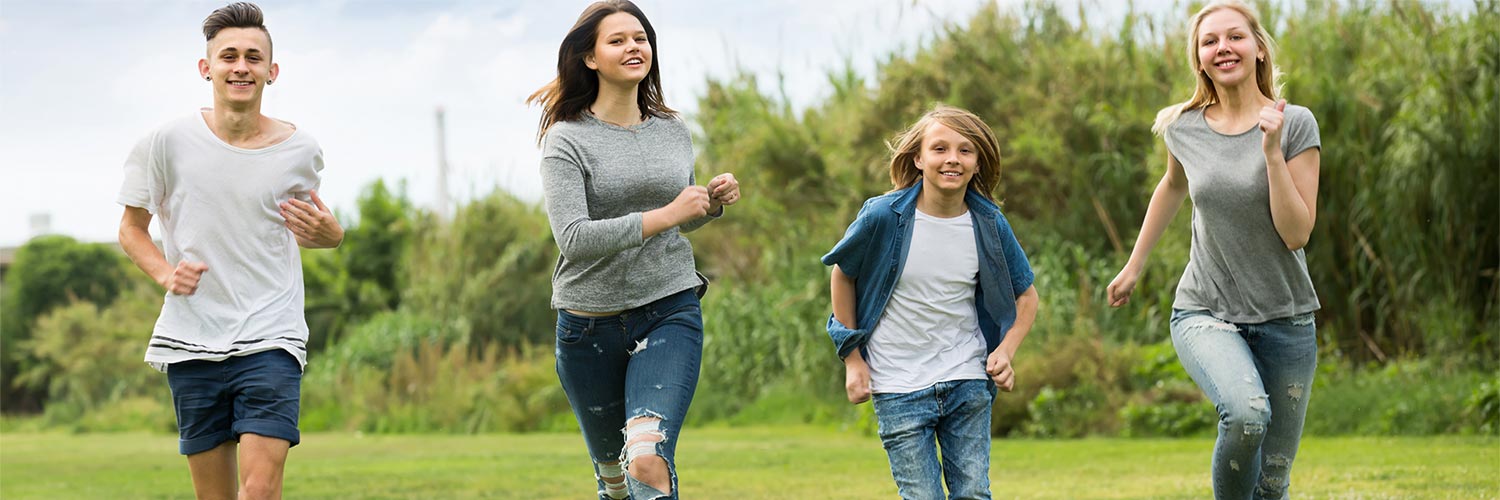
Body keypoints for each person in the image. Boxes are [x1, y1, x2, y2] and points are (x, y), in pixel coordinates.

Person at [116, 3, 342, 499]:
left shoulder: (300, 150)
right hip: (192, 337)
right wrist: (165, 274)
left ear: (271, 71)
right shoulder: (165, 142)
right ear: (207, 68)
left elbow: (321, 228)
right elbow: (131, 229)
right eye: (229, 56)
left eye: (253, 58)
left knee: (258, 491)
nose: (241, 66)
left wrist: (333, 236)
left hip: (271, 335)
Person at [1106, 1, 1323, 498]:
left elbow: (1296, 233)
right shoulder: (1183, 126)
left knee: (1271, 485)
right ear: (1199, 59)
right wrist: (1133, 265)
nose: (1223, 47)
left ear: (1260, 50)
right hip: (1206, 309)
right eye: (1210, 41)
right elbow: (1172, 186)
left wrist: (1271, 154)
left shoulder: (1296, 124)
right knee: (1247, 416)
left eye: (1235, 37)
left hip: (1286, 318)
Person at [527, 1, 741, 498]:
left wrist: (708, 204)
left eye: (640, 38)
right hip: (589, 325)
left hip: (669, 307)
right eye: (618, 40)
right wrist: (667, 214)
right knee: (616, 481)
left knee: (646, 459)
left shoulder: (673, 129)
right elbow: (574, 239)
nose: (633, 47)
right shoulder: (566, 140)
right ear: (590, 58)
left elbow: (675, 225)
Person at [823, 104, 1039, 500]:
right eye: (939, 148)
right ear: (918, 159)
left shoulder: (988, 222)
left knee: (973, 493)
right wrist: (853, 360)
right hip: (897, 383)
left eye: (965, 150)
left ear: (977, 163)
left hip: (966, 377)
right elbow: (843, 274)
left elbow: (1026, 296)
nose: (952, 158)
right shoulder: (883, 216)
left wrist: (1006, 351)